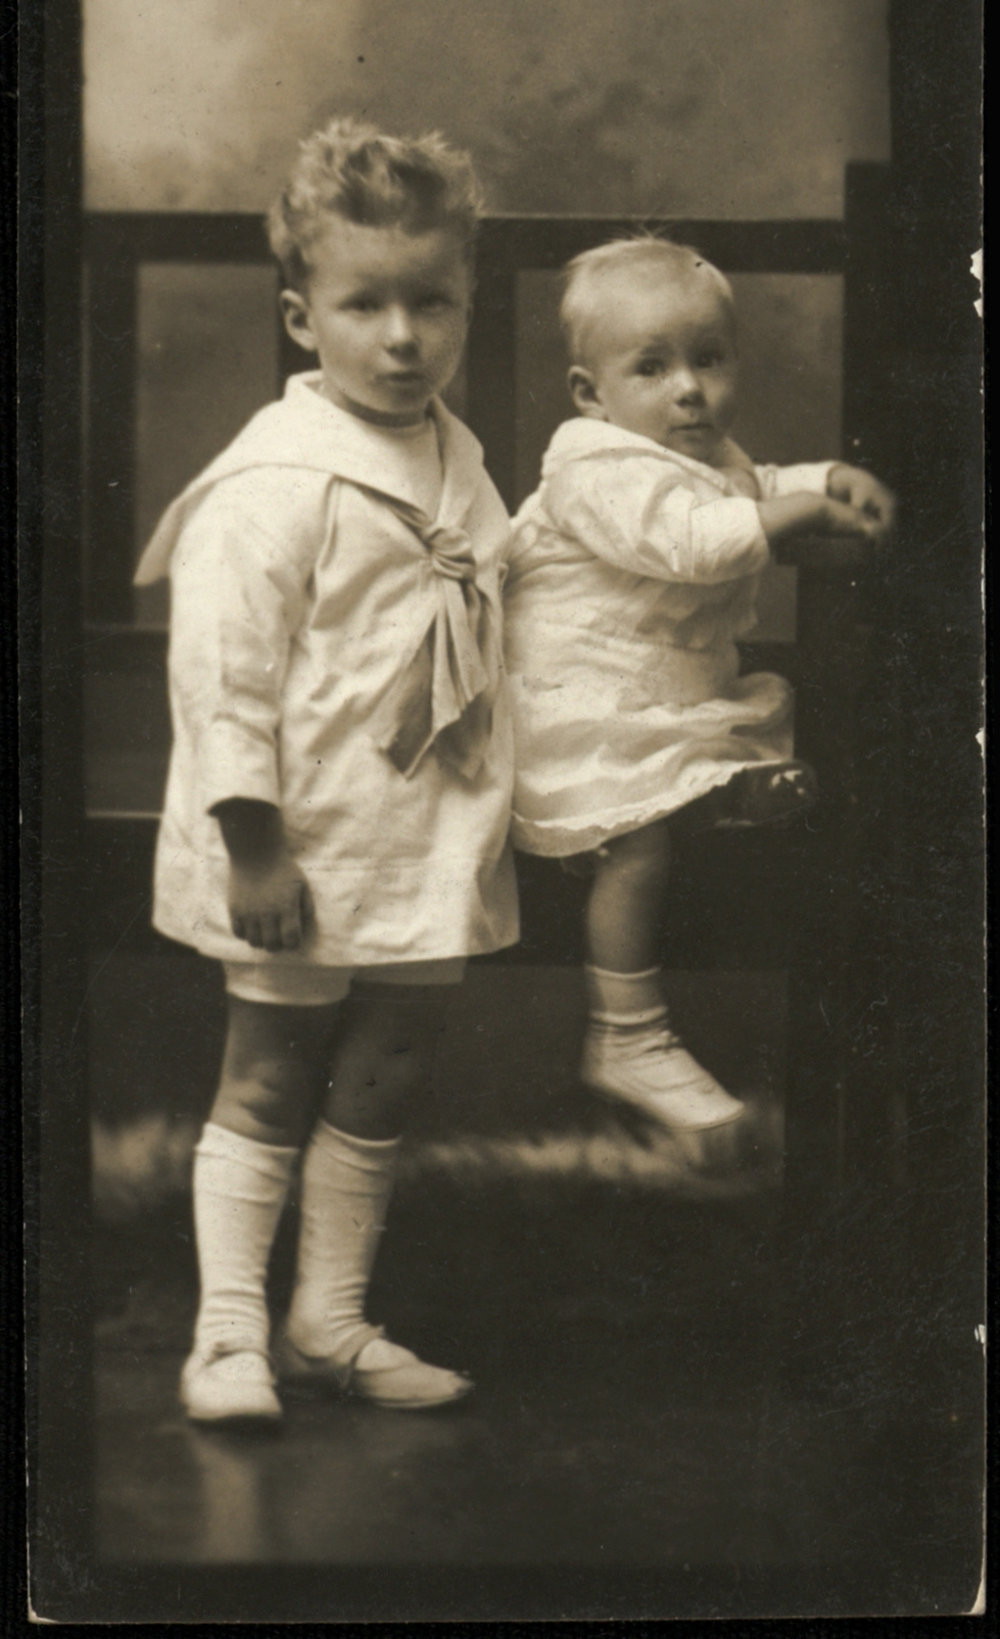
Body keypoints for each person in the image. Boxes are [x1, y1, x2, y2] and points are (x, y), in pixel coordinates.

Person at [135, 118, 518, 1424]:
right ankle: (228, 1332)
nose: (403, 336)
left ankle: (329, 1317)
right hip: (297, 835)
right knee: (274, 1064)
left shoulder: (458, 460)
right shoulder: (272, 478)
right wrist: (254, 841)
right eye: (366, 304)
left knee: (390, 1064)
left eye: (432, 300)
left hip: (419, 824)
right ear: (304, 317)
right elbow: (221, 675)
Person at [503, 237, 894, 1145]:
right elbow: (693, 540)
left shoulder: (701, 453)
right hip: (575, 710)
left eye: (708, 359)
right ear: (590, 394)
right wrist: (791, 513)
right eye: (653, 366)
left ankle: (736, 789)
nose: (689, 387)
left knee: (750, 724)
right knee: (635, 840)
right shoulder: (590, 467)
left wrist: (823, 478)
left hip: (661, 703)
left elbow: (747, 486)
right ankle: (628, 1033)